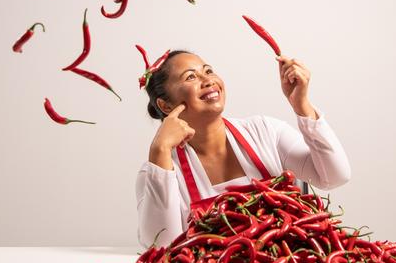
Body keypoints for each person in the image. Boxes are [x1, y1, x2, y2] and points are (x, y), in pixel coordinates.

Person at [135, 49, 351, 248]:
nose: (207, 79)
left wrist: (301, 104)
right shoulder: (159, 169)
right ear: (165, 105)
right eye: (190, 77)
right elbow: (161, 246)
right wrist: (160, 149)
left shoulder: (265, 131)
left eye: (208, 70)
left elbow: (334, 176)